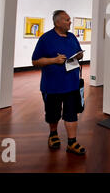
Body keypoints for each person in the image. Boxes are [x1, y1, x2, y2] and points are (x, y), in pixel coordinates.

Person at [32, 10, 86, 155]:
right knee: (53, 114)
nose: (70, 22)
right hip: (52, 86)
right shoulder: (45, 39)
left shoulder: (72, 37)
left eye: (70, 20)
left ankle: (72, 143)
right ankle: (53, 134)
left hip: (72, 84)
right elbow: (35, 61)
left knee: (71, 114)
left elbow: (78, 52)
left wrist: (79, 55)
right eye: (67, 20)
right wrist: (54, 60)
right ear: (57, 22)